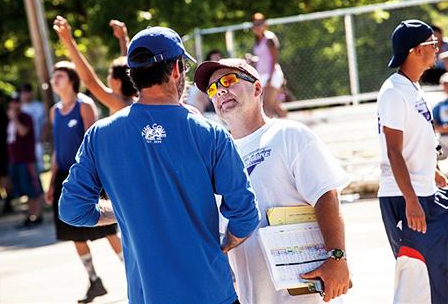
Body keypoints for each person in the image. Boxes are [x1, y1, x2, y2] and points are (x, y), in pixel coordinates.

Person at [58, 26, 260, 304]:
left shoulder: (100, 136)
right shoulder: (209, 134)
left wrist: (126, 208)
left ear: (133, 75)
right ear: (177, 68)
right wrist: (227, 244)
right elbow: (245, 213)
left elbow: (72, 210)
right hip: (210, 292)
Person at [194, 58, 351, 304]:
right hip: (254, 297)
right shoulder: (217, 158)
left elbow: (326, 195)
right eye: (213, 89)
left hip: (307, 292)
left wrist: (337, 257)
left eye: (229, 81)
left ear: (257, 89)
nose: (221, 90)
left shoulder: (289, 134)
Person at [377, 19, 448, 304]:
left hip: (429, 193)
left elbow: (420, 142)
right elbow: (394, 151)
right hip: (406, 199)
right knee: (425, 285)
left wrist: (436, 173)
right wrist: (411, 200)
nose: (438, 47)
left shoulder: (414, 88)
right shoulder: (393, 92)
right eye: (432, 43)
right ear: (415, 50)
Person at [46, 61, 123, 303]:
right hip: (63, 177)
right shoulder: (54, 111)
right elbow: (58, 150)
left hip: (88, 175)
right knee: (74, 234)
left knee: (108, 228)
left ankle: (135, 270)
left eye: (59, 75)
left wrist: (104, 180)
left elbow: (94, 145)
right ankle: (94, 281)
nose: (54, 79)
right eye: (54, 76)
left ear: (71, 80)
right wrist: (50, 183)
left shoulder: (84, 105)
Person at [53, 16, 136, 116]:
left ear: (117, 82)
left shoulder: (119, 103)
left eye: (110, 73)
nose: (108, 76)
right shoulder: (134, 100)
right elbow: (127, 69)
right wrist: (123, 39)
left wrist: (68, 41)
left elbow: (90, 81)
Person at [6, 96, 44, 227]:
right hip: (15, 160)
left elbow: (23, 132)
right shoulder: (10, 120)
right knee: (25, 190)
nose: (14, 106)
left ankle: (37, 215)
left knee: (34, 188)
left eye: (16, 103)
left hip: (27, 159)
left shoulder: (25, 117)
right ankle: (30, 215)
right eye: (12, 103)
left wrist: (15, 118)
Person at [252, 12, 287, 118]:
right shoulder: (257, 40)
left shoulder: (270, 38)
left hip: (271, 75)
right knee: (275, 106)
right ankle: (290, 126)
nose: (257, 26)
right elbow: (263, 58)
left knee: (267, 107)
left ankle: (273, 133)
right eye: (255, 24)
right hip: (263, 75)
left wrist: (270, 78)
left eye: (259, 23)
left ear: (265, 24)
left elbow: (274, 60)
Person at [18, 83, 47, 172]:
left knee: (39, 169)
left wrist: (43, 138)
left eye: (27, 92)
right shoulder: (19, 108)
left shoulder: (39, 106)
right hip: (24, 145)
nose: (24, 95)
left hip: (37, 142)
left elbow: (44, 124)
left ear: (31, 93)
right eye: (22, 93)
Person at [0, 89, 13, 216]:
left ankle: (3, 202)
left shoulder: (1, 111)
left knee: (3, 175)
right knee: (4, 175)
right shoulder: (3, 111)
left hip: (0, 148)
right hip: (2, 148)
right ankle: (7, 201)